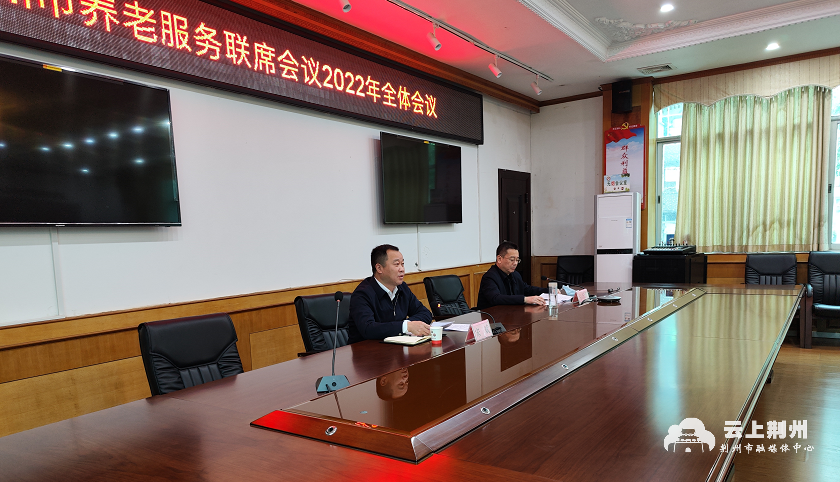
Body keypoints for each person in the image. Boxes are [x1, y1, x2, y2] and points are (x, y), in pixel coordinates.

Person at [347, 244, 433, 344]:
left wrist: (408, 325)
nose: (402, 269)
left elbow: (425, 313)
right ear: (379, 268)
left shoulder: (402, 288)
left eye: (402, 264)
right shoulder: (362, 294)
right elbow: (368, 329)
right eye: (396, 264)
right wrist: (405, 327)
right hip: (366, 350)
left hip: (397, 347)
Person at [476, 241, 547, 310]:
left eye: (517, 260)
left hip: (512, 313)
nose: (515, 263)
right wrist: (525, 299)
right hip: (493, 316)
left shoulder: (515, 274)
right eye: (512, 259)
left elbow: (527, 289)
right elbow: (496, 298)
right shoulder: (489, 277)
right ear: (499, 259)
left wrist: (548, 290)